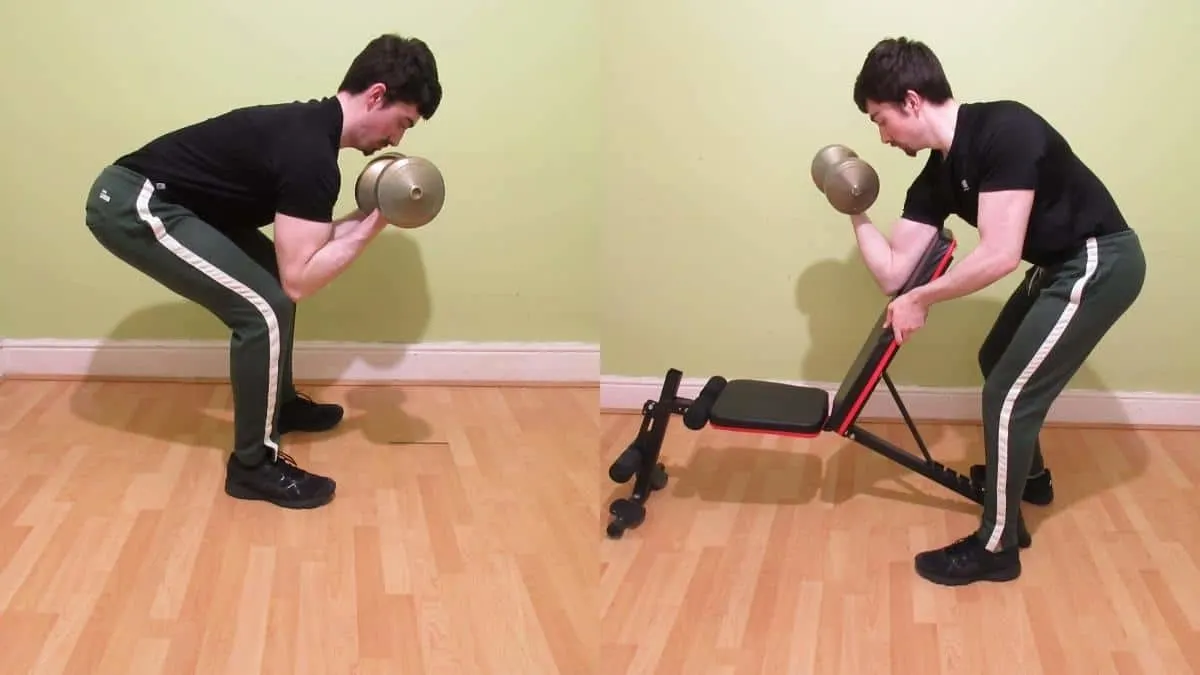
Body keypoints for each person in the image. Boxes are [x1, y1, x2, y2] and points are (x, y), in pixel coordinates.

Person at [82, 34, 443, 510]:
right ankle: (253, 467)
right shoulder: (310, 154)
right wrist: (377, 221)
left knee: (271, 290)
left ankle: (281, 404)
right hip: (135, 202)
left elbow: (301, 254)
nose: (396, 140)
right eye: (402, 123)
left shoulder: (312, 139)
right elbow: (302, 278)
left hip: (186, 208)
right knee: (264, 308)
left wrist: (372, 214)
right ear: (376, 95)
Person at [848, 37, 1146, 586]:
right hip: (1060, 264)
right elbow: (893, 271)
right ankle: (1030, 479)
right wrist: (853, 209)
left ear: (912, 101)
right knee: (997, 357)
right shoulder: (936, 177)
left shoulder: (1004, 130)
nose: (883, 137)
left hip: (1101, 259)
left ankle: (996, 547)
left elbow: (1001, 255)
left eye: (881, 120)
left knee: (1006, 396)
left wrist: (921, 299)